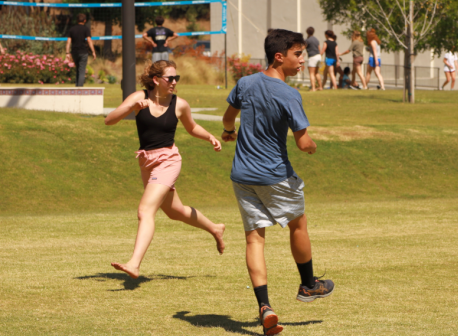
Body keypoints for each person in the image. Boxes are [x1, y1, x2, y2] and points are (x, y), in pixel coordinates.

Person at [221, 29, 335, 336]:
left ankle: (265, 307)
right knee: (298, 225)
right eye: (298, 54)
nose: (303, 59)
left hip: (242, 176)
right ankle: (309, 286)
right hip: (275, 176)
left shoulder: (245, 83)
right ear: (279, 57)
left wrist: (230, 132)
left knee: (254, 239)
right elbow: (303, 143)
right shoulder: (288, 94)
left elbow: (228, 117)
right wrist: (313, 147)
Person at [106, 60, 226, 280]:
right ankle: (215, 228)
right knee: (174, 211)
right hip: (146, 161)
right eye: (170, 78)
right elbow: (109, 120)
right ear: (156, 79)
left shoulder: (179, 104)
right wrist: (131, 109)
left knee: (145, 211)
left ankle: (134, 263)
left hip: (169, 160)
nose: (174, 82)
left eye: (176, 78)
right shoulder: (139, 98)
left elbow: (192, 127)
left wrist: (209, 136)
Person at [66, 13, 96, 87]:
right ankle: (79, 89)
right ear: (85, 20)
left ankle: (77, 86)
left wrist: (67, 53)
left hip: (74, 52)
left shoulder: (72, 29)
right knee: (82, 71)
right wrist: (93, 51)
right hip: (83, 52)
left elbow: (68, 42)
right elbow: (89, 40)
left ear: (77, 20)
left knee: (78, 70)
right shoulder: (86, 29)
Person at [305, 27, 322, 91]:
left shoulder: (308, 40)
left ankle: (313, 88)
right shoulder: (316, 39)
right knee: (316, 72)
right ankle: (320, 87)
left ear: (307, 32)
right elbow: (319, 49)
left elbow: (303, 47)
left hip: (312, 57)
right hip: (318, 56)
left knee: (311, 73)